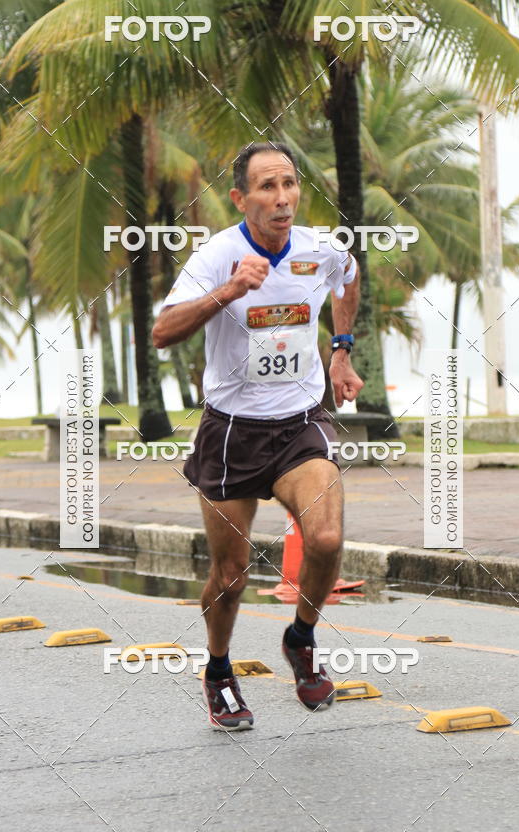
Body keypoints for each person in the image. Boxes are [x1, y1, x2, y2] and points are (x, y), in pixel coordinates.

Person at [152, 142, 364, 730]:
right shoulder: (218, 255)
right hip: (231, 432)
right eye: (266, 187)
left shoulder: (320, 249)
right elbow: (162, 332)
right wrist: (227, 292)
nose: (281, 198)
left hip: (300, 423)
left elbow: (349, 278)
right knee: (231, 574)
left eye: (289, 184)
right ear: (241, 198)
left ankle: (301, 638)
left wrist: (341, 353)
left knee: (325, 540)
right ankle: (218, 670)